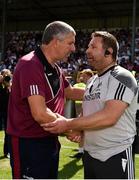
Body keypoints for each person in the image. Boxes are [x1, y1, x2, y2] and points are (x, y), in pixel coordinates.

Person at [42, 31, 138, 179]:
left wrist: (68, 124)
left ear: (108, 52)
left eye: (93, 47)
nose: (87, 50)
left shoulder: (122, 77)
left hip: (115, 155)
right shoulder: (93, 81)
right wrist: (79, 130)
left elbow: (109, 117)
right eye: (88, 46)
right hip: (90, 155)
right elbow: (87, 111)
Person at [7, 21, 84, 179]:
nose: (74, 49)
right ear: (56, 42)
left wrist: (102, 92)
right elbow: (40, 114)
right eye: (70, 43)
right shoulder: (30, 65)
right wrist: (70, 128)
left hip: (49, 139)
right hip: (28, 143)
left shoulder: (54, 67)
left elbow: (70, 91)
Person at [70, 69, 94, 158]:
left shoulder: (92, 85)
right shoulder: (88, 85)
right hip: (83, 110)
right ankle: (82, 150)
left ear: (88, 76)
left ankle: (82, 151)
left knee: (83, 131)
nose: (81, 77)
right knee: (82, 131)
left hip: (88, 111)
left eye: (83, 75)